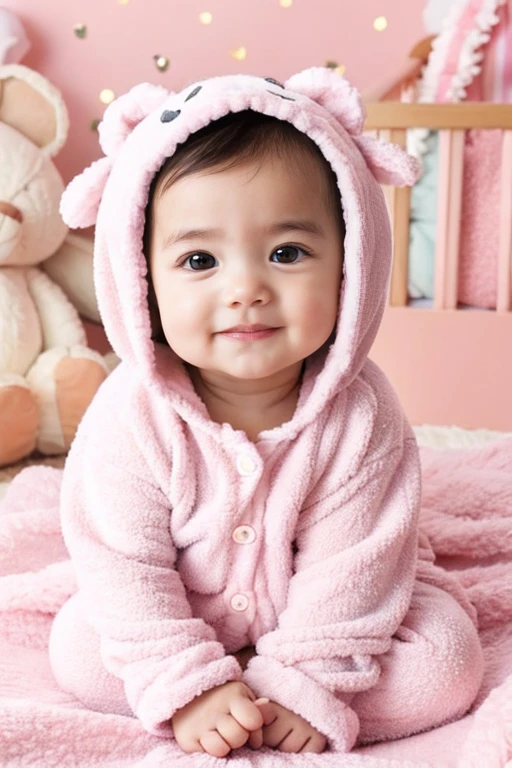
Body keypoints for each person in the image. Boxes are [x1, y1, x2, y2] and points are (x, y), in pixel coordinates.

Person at [49, 69, 484, 758]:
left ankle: (286, 690)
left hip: (333, 618)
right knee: (79, 648)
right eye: (199, 259)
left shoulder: (363, 415)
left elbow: (359, 566)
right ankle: (206, 687)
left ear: (351, 265)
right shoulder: (129, 416)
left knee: (446, 666)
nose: (245, 288)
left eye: (287, 253)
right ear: (141, 282)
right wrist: (183, 682)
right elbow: (124, 565)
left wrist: (305, 682)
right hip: (183, 609)